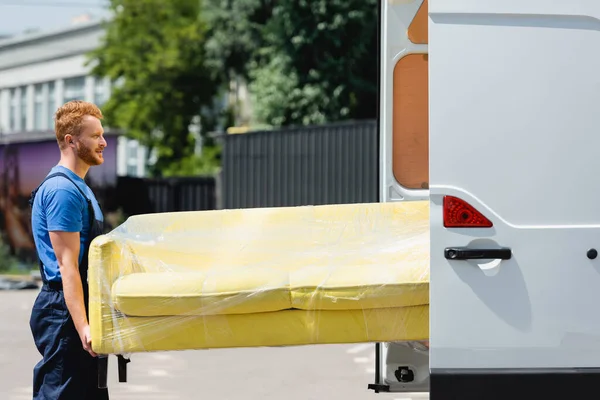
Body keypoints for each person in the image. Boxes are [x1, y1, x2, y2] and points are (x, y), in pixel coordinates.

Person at [28, 100, 109, 399]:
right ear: (71, 141)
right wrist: (83, 326)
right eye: (95, 135)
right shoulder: (63, 191)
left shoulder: (79, 186)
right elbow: (67, 265)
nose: (103, 142)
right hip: (63, 311)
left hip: (75, 306)